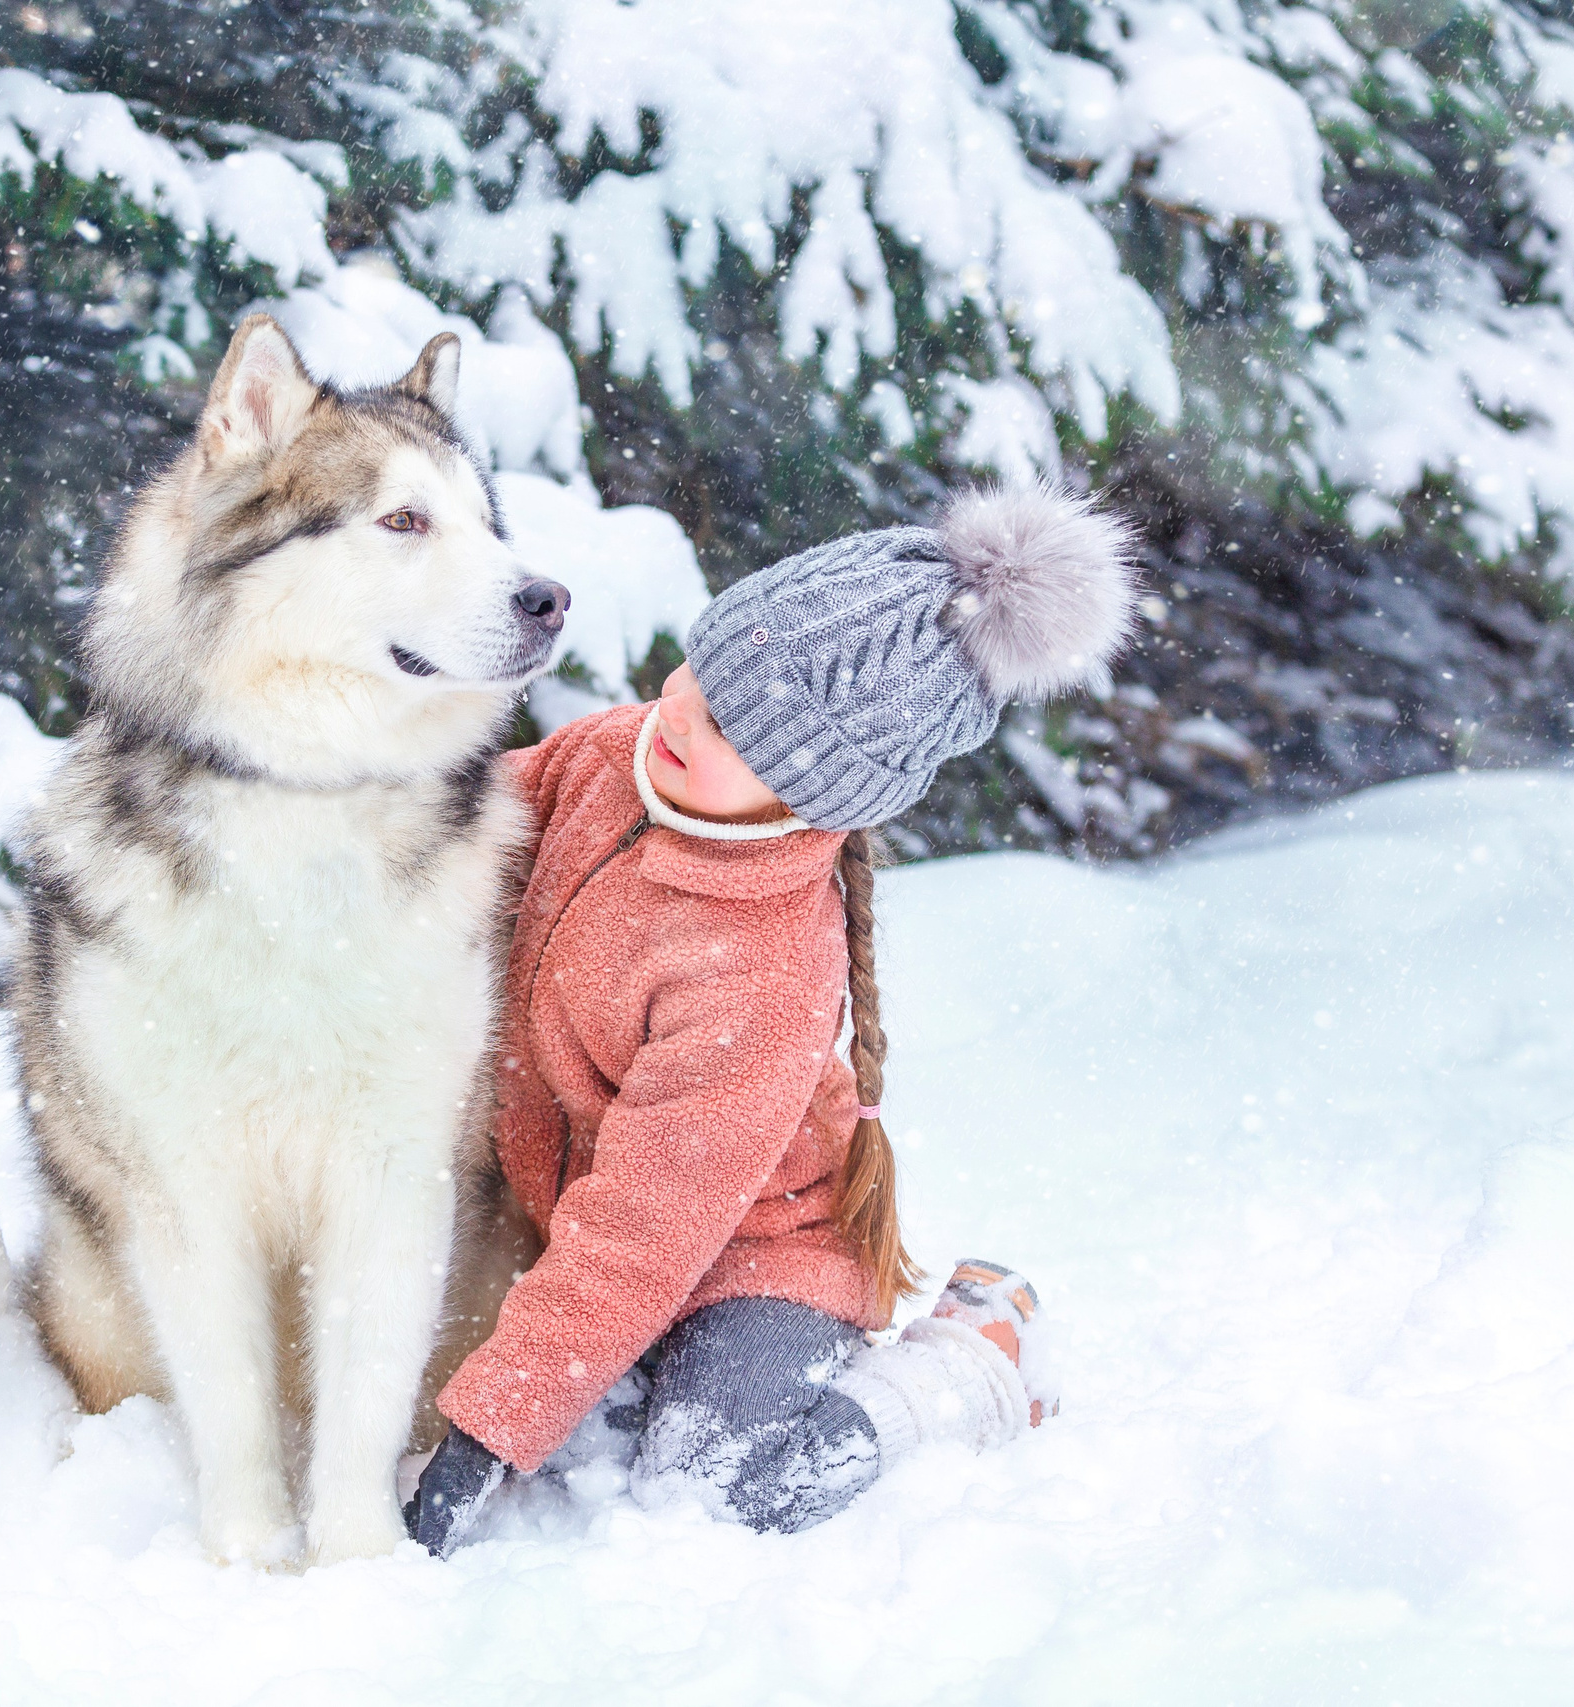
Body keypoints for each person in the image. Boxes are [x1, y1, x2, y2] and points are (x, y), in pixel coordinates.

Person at [406, 481, 1139, 1553]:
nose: (674, 714)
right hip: (590, 1216)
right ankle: (630, 1365)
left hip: (753, 1256)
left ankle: (966, 1366)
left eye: (725, 725)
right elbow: (447, 821)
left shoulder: (756, 966)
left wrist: (482, 1440)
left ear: (810, 788)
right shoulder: (617, 755)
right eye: (696, 676)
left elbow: (644, 1228)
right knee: (577, 1404)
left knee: (717, 1487)